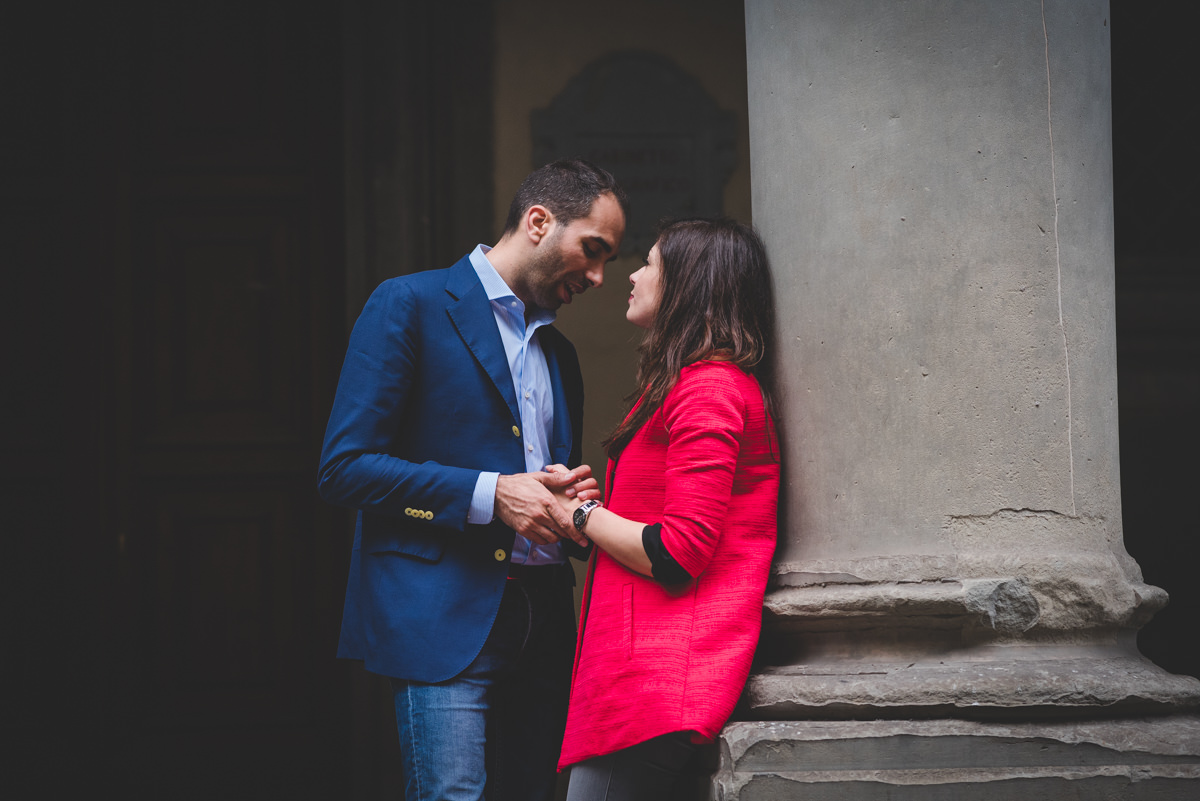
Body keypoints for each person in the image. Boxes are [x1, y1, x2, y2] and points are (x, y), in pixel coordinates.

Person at [318, 159, 626, 801]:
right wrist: (492, 493)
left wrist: (565, 500)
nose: (598, 278)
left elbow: (539, 484)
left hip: (544, 620)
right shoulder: (409, 304)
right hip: (444, 618)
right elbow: (344, 469)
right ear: (539, 222)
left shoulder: (559, 352)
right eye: (591, 251)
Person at [552, 218, 780, 800]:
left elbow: (677, 553)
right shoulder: (695, 386)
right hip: (647, 684)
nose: (633, 274)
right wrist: (589, 509)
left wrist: (579, 516)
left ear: (689, 284)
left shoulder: (710, 390)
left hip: (657, 687)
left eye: (650, 263)